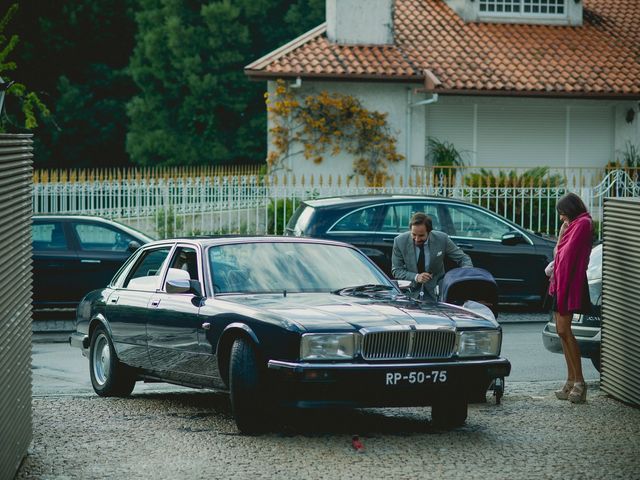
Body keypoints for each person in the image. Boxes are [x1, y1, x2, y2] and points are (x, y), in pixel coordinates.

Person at [548, 192, 593, 404]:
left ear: (571, 210)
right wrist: (561, 233)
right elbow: (559, 252)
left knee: (565, 330)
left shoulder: (583, 223)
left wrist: (561, 238)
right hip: (561, 281)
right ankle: (570, 380)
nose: (561, 218)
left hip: (571, 282)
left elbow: (566, 255)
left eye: (562, 213)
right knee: (560, 331)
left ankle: (580, 382)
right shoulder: (571, 225)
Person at [392, 212, 472, 301]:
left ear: (429, 232)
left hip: (436, 291)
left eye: (421, 235)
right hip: (410, 292)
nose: (417, 239)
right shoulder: (399, 241)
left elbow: (463, 258)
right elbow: (396, 270)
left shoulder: (442, 239)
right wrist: (416, 277)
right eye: (413, 235)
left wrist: (466, 276)